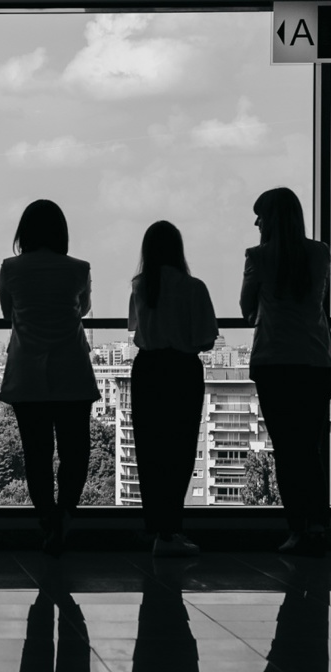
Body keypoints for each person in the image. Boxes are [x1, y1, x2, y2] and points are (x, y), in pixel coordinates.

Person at [0, 200, 100, 555]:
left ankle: (47, 522)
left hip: (28, 372)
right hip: (71, 368)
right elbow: (83, 308)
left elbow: (7, 313)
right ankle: (66, 516)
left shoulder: (10, 269)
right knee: (75, 451)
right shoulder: (78, 268)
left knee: (36, 455)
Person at [240, 187, 331, 557]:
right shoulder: (320, 253)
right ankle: (319, 525)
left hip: (274, 361)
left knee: (287, 450)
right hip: (315, 359)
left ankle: (296, 528)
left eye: (260, 215)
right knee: (312, 447)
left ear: (272, 220)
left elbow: (247, 308)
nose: (257, 222)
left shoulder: (258, 257)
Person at [129, 221, 218, 557]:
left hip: (148, 369)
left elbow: (135, 331)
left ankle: (155, 529)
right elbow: (207, 339)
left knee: (149, 452)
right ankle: (172, 529)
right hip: (182, 369)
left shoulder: (140, 287)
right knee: (180, 452)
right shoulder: (194, 288)